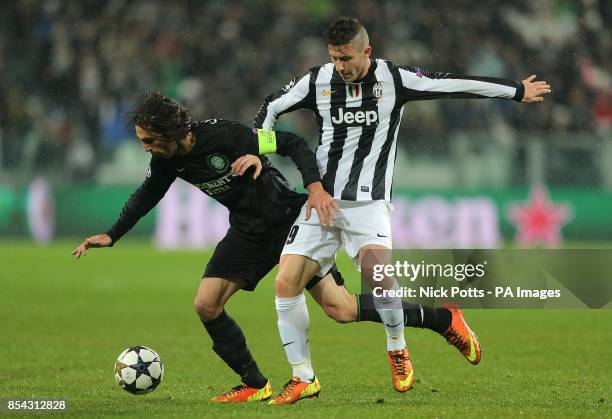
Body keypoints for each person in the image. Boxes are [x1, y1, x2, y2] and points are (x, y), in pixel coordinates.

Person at [71, 92, 459, 403]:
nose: (145, 148)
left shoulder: (226, 135)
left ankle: (442, 320)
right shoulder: (167, 161)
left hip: (288, 222)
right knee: (206, 304)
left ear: (171, 133)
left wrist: (310, 185)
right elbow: (146, 195)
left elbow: (292, 143)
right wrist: (113, 233)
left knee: (339, 310)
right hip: (247, 232)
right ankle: (255, 383)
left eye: (149, 141)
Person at [254, 17, 552, 404]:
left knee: (377, 280)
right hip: (322, 201)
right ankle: (303, 376)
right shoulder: (318, 80)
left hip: (368, 202)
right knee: (285, 282)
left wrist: (514, 91)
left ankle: (397, 347)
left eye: (346, 58)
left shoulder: (394, 80)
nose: (340, 66)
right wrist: (256, 151)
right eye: (334, 57)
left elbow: (450, 84)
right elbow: (271, 107)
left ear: (367, 51)